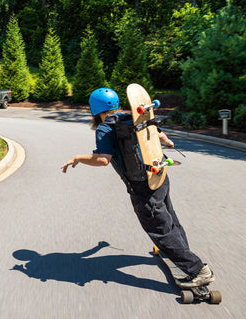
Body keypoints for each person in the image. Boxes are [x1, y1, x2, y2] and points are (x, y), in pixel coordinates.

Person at [60, 88, 214, 287]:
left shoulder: (105, 128)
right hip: (158, 174)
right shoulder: (135, 116)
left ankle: (198, 270)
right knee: (169, 218)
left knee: (159, 228)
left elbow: (103, 160)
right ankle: (180, 253)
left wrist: (77, 158)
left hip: (141, 185)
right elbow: (161, 136)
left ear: (94, 108)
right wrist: (168, 142)